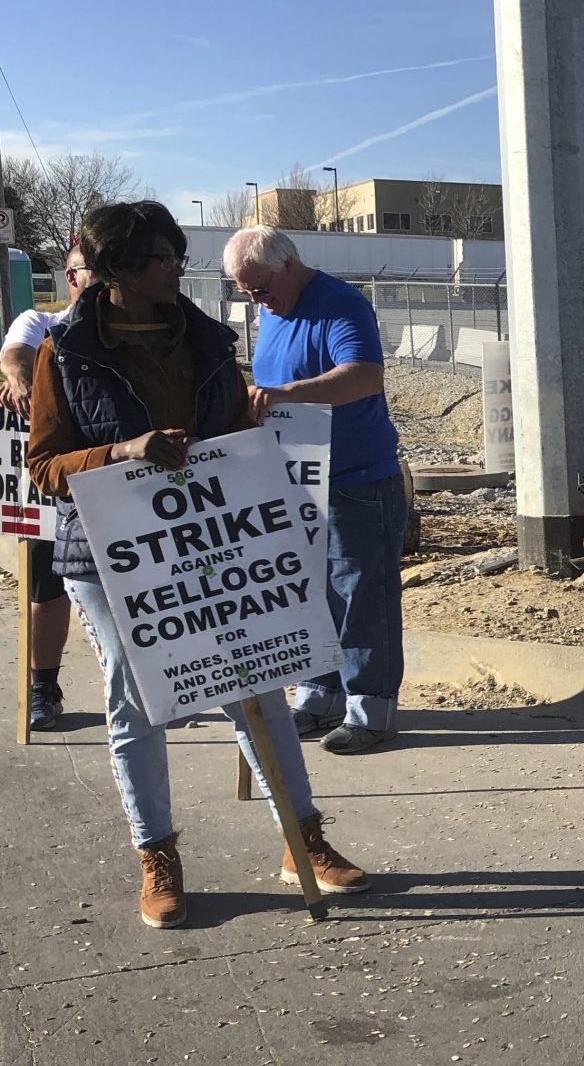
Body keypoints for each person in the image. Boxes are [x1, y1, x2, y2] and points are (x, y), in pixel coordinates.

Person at [26, 202, 370, 927]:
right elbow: (45, 467)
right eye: (160, 258)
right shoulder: (69, 349)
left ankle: (302, 841)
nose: (176, 269)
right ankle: (157, 854)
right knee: (135, 697)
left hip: (218, 543)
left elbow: (240, 432)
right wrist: (123, 452)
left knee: (257, 683)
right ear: (116, 268)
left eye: (178, 256)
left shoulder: (211, 341)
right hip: (113, 557)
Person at [222, 226, 406, 754]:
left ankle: (371, 709)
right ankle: (321, 695)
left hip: (356, 478)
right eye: (247, 292)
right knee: (312, 590)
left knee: (362, 596)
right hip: (298, 478)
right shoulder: (272, 310)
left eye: (259, 288)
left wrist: (284, 395)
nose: (257, 301)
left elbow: (365, 376)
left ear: (287, 264)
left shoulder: (339, 305)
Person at [2, 246, 88, 730]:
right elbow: (15, 354)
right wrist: (19, 379)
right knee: (45, 584)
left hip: (111, 474)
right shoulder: (41, 321)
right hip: (50, 480)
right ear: (70, 277)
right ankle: (42, 686)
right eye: (86, 273)